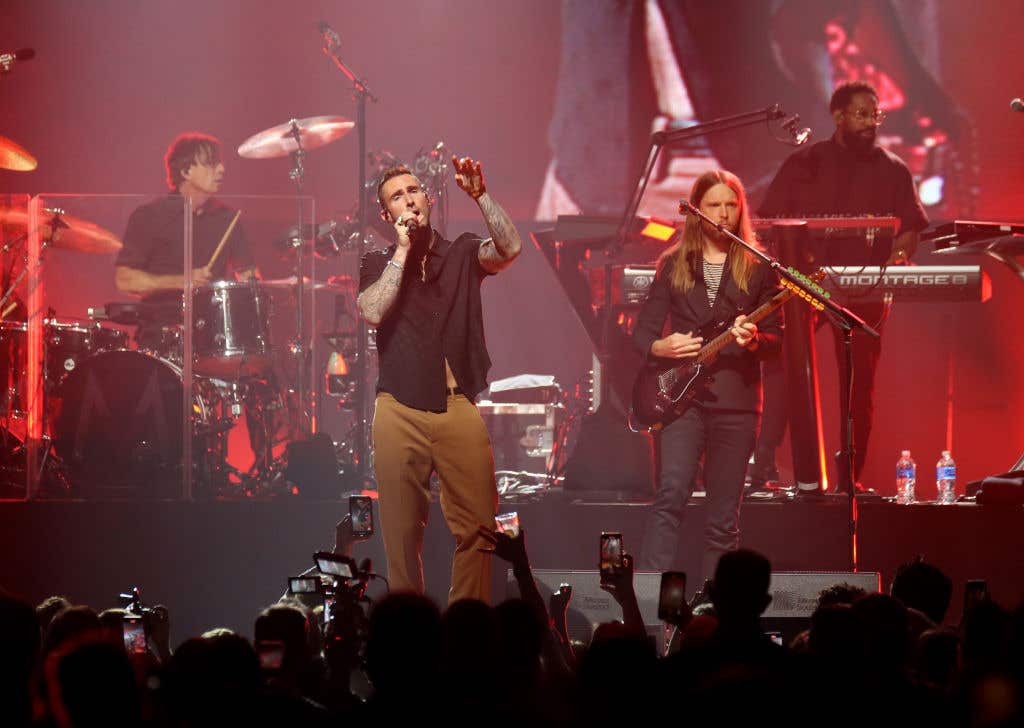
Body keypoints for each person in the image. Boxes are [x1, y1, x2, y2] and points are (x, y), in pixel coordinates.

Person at [357, 156, 522, 603]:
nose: (409, 200)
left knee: (480, 527)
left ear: (428, 199)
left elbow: (509, 248)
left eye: (414, 191)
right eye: (397, 196)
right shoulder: (377, 261)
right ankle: (410, 635)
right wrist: (403, 250)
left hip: (455, 406)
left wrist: (481, 195)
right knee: (401, 532)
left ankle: (466, 627)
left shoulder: (463, 252)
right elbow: (372, 311)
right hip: (399, 407)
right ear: (386, 215)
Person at [752, 80, 929, 492]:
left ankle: (850, 478)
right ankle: (763, 465)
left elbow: (910, 230)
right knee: (783, 366)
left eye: (876, 115)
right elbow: (770, 225)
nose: (872, 123)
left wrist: (895, 260)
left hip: (864, 290)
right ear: (839, 117)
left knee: (859, 383)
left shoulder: (893, 168)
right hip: (804, 285)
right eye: (863, 114)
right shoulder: (804, 163)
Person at [632, 170, 782, 583]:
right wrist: (661, 347)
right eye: (714, 205)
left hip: (738, 403)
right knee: (671, 496)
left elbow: (777, 340)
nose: (723, 214)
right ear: (697, 212)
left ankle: (715, 612)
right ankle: (647, 601)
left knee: (723, 516)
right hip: (684, 401)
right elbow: (642, 332)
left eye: (731, 205)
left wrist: (753, 340)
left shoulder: (759, 268)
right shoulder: (674, 265)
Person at [115, 132, 257, 350]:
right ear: (185, 171)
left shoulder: (227, 218)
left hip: (214, 336)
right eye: (211, 163)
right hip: (160, 335)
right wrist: (184, 281)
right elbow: (125, 280)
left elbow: (248, 277)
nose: (221, 169)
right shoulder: (149, 216)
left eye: (220, 163)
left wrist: (276, 289)